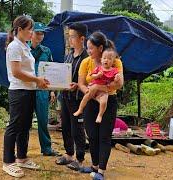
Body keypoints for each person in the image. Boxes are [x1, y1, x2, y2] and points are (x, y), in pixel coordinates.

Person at [3, 15, 49, 178]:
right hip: (19, 91)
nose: (32, 32)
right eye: (30, 29)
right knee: (14, 126)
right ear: (20, 30)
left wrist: (39, 81)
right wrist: (37, 79)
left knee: (25, 126)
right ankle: (8, 162)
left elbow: (28, 71)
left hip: (29, 90)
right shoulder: (14, 46)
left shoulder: (24, 46)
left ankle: (22, 157)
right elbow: (16, 72)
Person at [78, 31, 124, 180]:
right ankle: (94, 166)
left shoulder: (115, 61)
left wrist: (99, 89)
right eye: (87, 48)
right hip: (90, 101)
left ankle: (101, 171)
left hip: (108, 102)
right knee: (92, 135)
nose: (88, 51)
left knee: (104, 136)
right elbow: (81, 84)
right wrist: (92, 93)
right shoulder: (86, 62)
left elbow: (119, 84)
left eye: (91, 48)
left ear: (100, 48)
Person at [55, 23, 88, 171]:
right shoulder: (68, 56)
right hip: (66, 97)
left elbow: (90, 79)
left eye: (73, 36)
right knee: (66, 127)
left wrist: (79, 85)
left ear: (82, 39)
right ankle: (69, 154)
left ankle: (80, 159)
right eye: (69, 36)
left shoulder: (87, 58)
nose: (70, 39)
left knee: (77, 129)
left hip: (79, 99)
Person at [30, 22, 60, 156]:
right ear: (31, 33)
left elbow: (51, 71)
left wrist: (52, 90)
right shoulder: (24, 49)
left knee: (43, 120)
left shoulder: (46, 51)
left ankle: (46, 148)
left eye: (42, 33)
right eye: (37, 33)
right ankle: (21, 150)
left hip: (42, 90)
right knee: (24, 121)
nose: (40, 36)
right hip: (27, 89)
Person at [73, 48, 120, 123]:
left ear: (113, 61)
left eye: (109, 59)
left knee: (104, 102)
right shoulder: (99, 68)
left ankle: (100, 115)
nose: (106, 60)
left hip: (103, 90)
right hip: (94, 87)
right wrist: (98, 75)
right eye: (104, 58)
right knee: (86, 97)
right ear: (101, 60)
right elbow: (92, 76)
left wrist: (117, 78)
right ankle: (80, 109)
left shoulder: (114, 70)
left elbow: (116, 79)